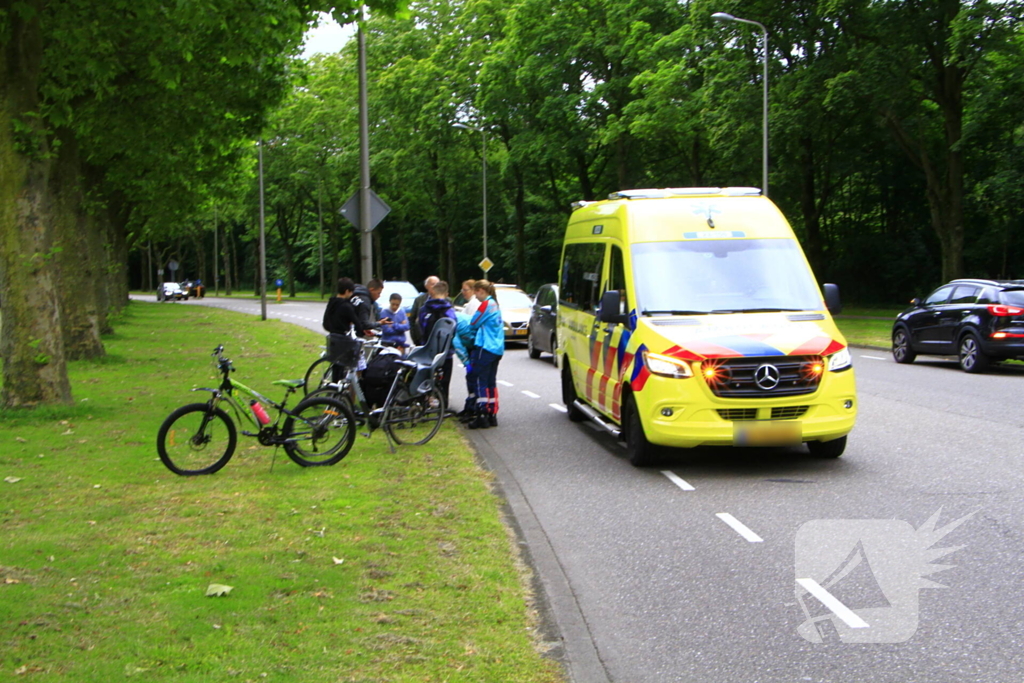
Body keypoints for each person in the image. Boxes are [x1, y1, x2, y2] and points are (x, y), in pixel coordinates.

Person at [465, 279, 504, 429]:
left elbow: (473, 322)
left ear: (481, 290)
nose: (475, 295)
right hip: (497, 348)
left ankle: (481, 416)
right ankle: (492, 414)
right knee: (490, 382)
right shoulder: (495, 304)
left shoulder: (485, 305)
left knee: (481, 380)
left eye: (476, 292)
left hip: (486, 347)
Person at [417, 280, 459, 401]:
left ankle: (425, 402)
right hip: (445, 353)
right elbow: (454, 329)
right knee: (445, 381)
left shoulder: (424, 309)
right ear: (446, 294)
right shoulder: (449, 311)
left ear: (433, 292)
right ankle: (443, 404)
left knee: (425, 377)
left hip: (428, 351)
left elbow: (421, 327)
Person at [322, 277, 367, 380]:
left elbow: (326, 322)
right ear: (347, 291)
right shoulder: (347, 306)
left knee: (336, 367)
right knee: (348, 361)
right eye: (351, 292)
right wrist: (363, 331)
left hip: (332, 337)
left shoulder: (331, 303)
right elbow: (357, 323)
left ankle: (333, 388)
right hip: (342, 339)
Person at [409, 275, 440, 346]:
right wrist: (415, 338)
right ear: (426, 286)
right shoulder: (419, 300)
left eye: (437, 284)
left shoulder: (446, 301)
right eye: (432, 284)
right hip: (421, 339)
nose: (435, 286)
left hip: (439, 340)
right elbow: (412, 319)